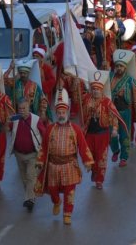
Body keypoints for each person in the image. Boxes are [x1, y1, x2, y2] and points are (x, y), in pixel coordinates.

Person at [34, 95, 94, 225]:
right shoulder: (50, 129)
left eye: (63, 112)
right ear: (56, 113)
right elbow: (44, 146)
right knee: (52, 189)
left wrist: (87, 162)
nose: (61, 115)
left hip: (69, 165)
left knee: (69, 191)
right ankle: (56, 202)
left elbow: (83, 146)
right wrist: (40, 161)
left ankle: (67, 213)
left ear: (67, 113)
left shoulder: (75, 129)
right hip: (53, 166)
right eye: (59, 113)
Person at [82, 71, 126, 188]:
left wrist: (115, 129)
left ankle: (99, 180)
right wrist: (77, 83)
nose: (96, 91)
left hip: (103, 134)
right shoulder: (86, 99)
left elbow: (113, 117)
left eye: (98, 89)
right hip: (89, 133)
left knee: (101, 157)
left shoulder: (107, 102)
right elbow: (77, 101)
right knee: (90, 156)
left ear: (102, 90)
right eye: (94, 89)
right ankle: (94, 170)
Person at [7, 100, 46, 212]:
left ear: (29, 108)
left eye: (24, 108)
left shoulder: (36, 119)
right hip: (19, 155)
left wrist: (45, 150)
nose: (22, 111)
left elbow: (44, 133)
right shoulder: (14, 119)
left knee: (30, 177)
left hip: (33, 154)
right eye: (20, 109)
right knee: (24, 179)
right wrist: (6, 122)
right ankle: (31, 198)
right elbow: (6, 130)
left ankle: (28, 199)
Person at [110, 53, 136, 167]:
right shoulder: (110, 78)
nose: (119, 68)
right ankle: (115, 150)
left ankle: (124, 157)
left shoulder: (130, 81)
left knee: (124, 135)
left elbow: (135, 97)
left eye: (121, 66)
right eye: (117, 66)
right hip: (112, 112)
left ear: (125, 67)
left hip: (125, 111)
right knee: (112, 135)